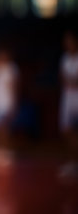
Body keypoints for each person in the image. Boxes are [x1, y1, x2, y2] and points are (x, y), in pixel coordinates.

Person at [58, 30, 78, 179]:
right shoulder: (65, 59)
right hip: (67, 98)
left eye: (70, 40)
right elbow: (63, 78)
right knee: (67, 130)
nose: (68, 44)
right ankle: (72, 163)